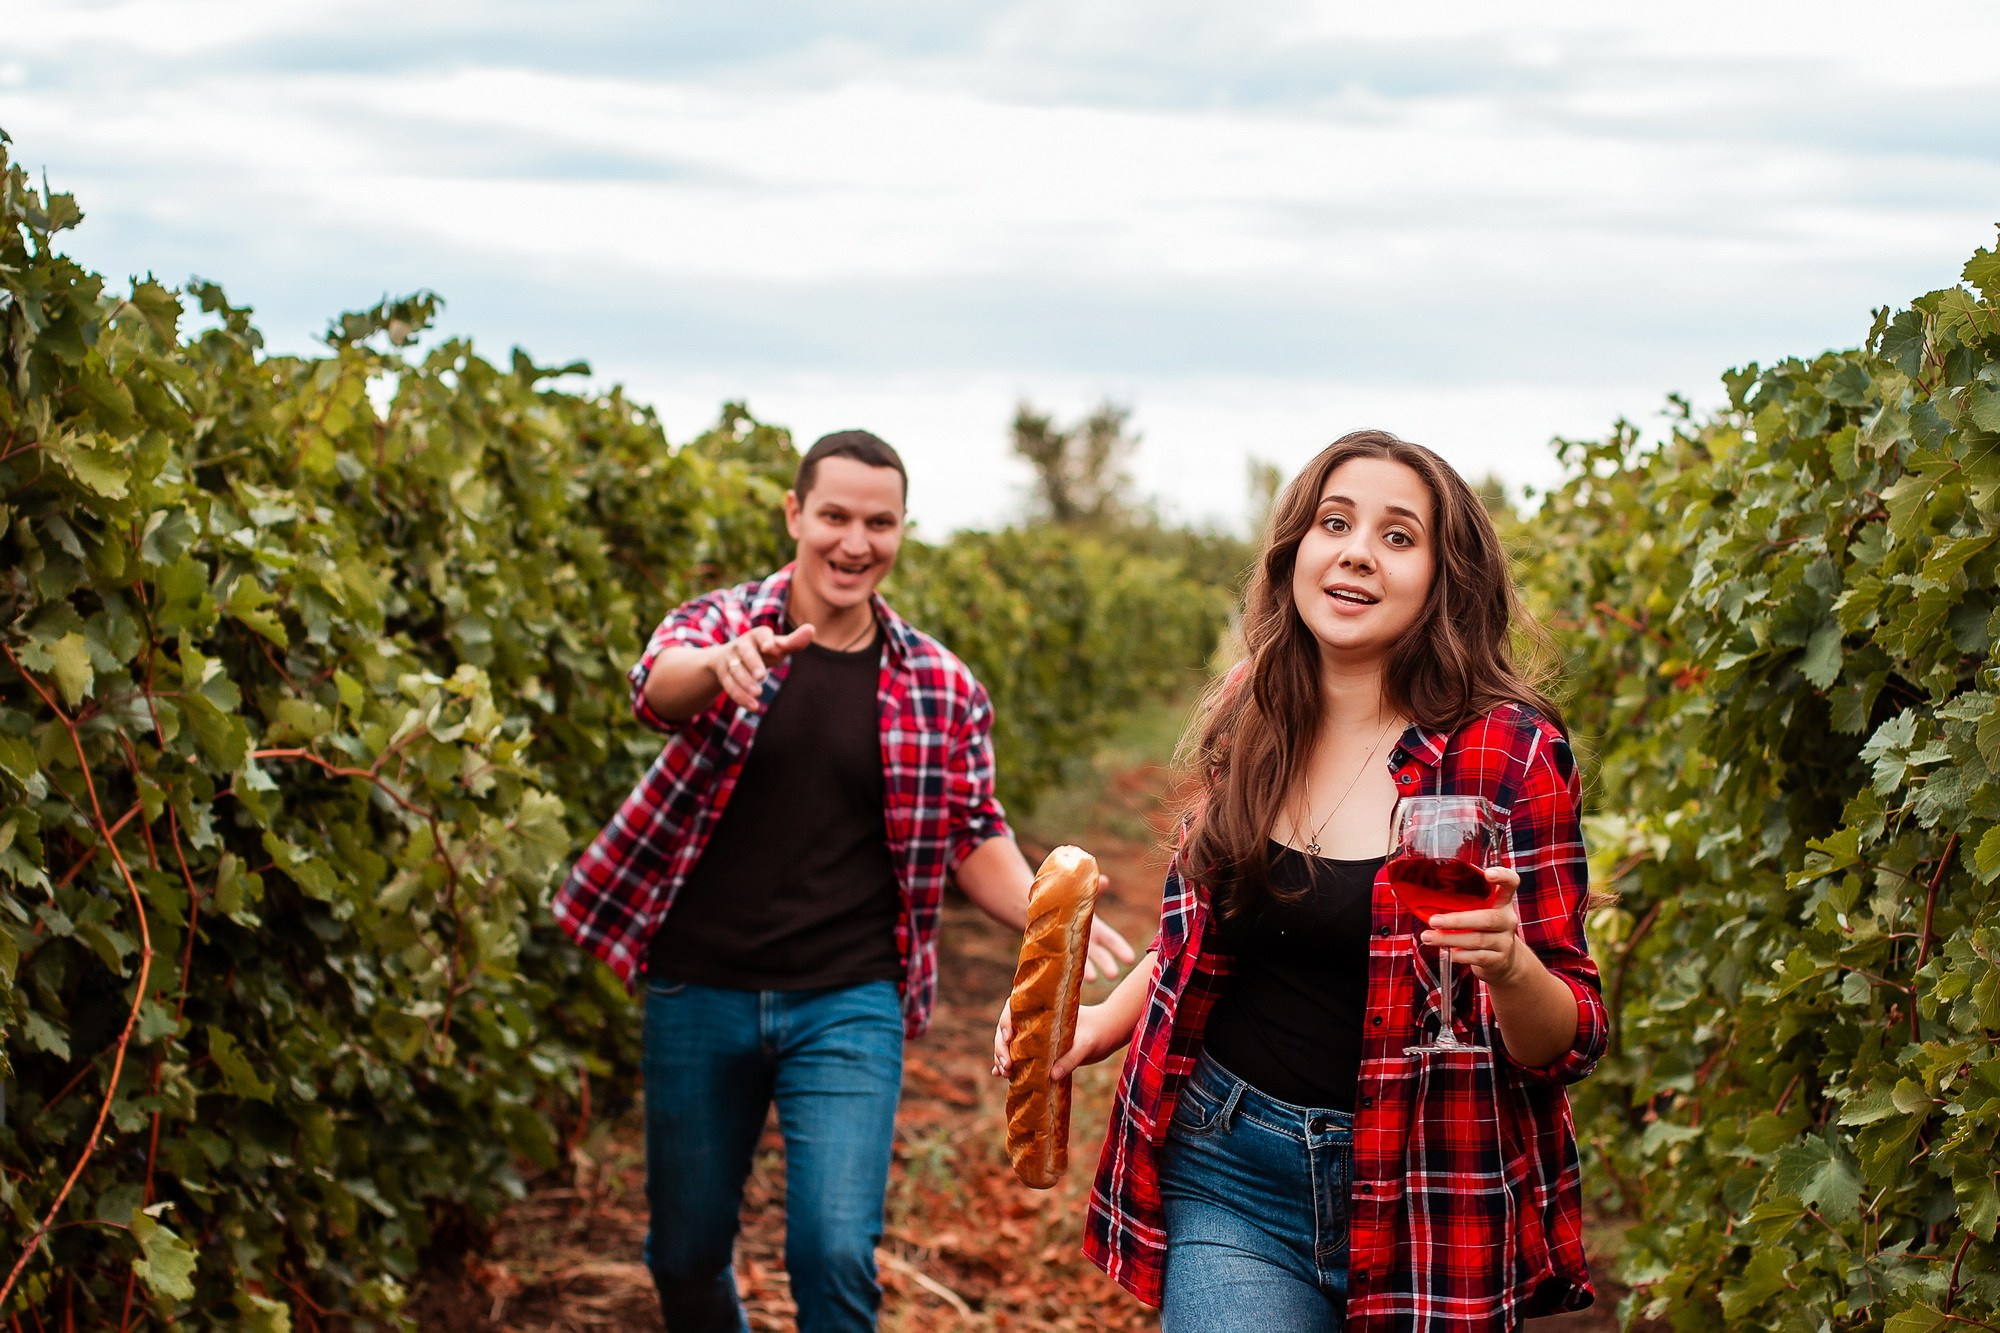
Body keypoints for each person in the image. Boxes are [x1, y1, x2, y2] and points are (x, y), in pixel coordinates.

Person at [994, 430, 1605, 1331]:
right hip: (1231, 1165)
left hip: (1428, 1187)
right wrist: (1091, 1025)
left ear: (1445, 576)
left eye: (1399, 536)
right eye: (1335, 522)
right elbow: (1192, 940)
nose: (1358, 549)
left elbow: (1572, 1038)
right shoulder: (1258, 705)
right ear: (1297, 553)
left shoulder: (1506, 753)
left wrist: (1509, 966)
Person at [556, 429, 1134, 1333]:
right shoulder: (721, 627)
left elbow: (971, 830)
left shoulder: (940, 683)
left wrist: (1044, 916)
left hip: (849, 996)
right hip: (699, 984)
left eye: (879, 521)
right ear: (795, 514)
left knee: (832, 1252)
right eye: (834, 516)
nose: (854, 542)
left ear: (903, 530)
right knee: (683, 1255)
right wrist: (720, 667)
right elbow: (655, 686)